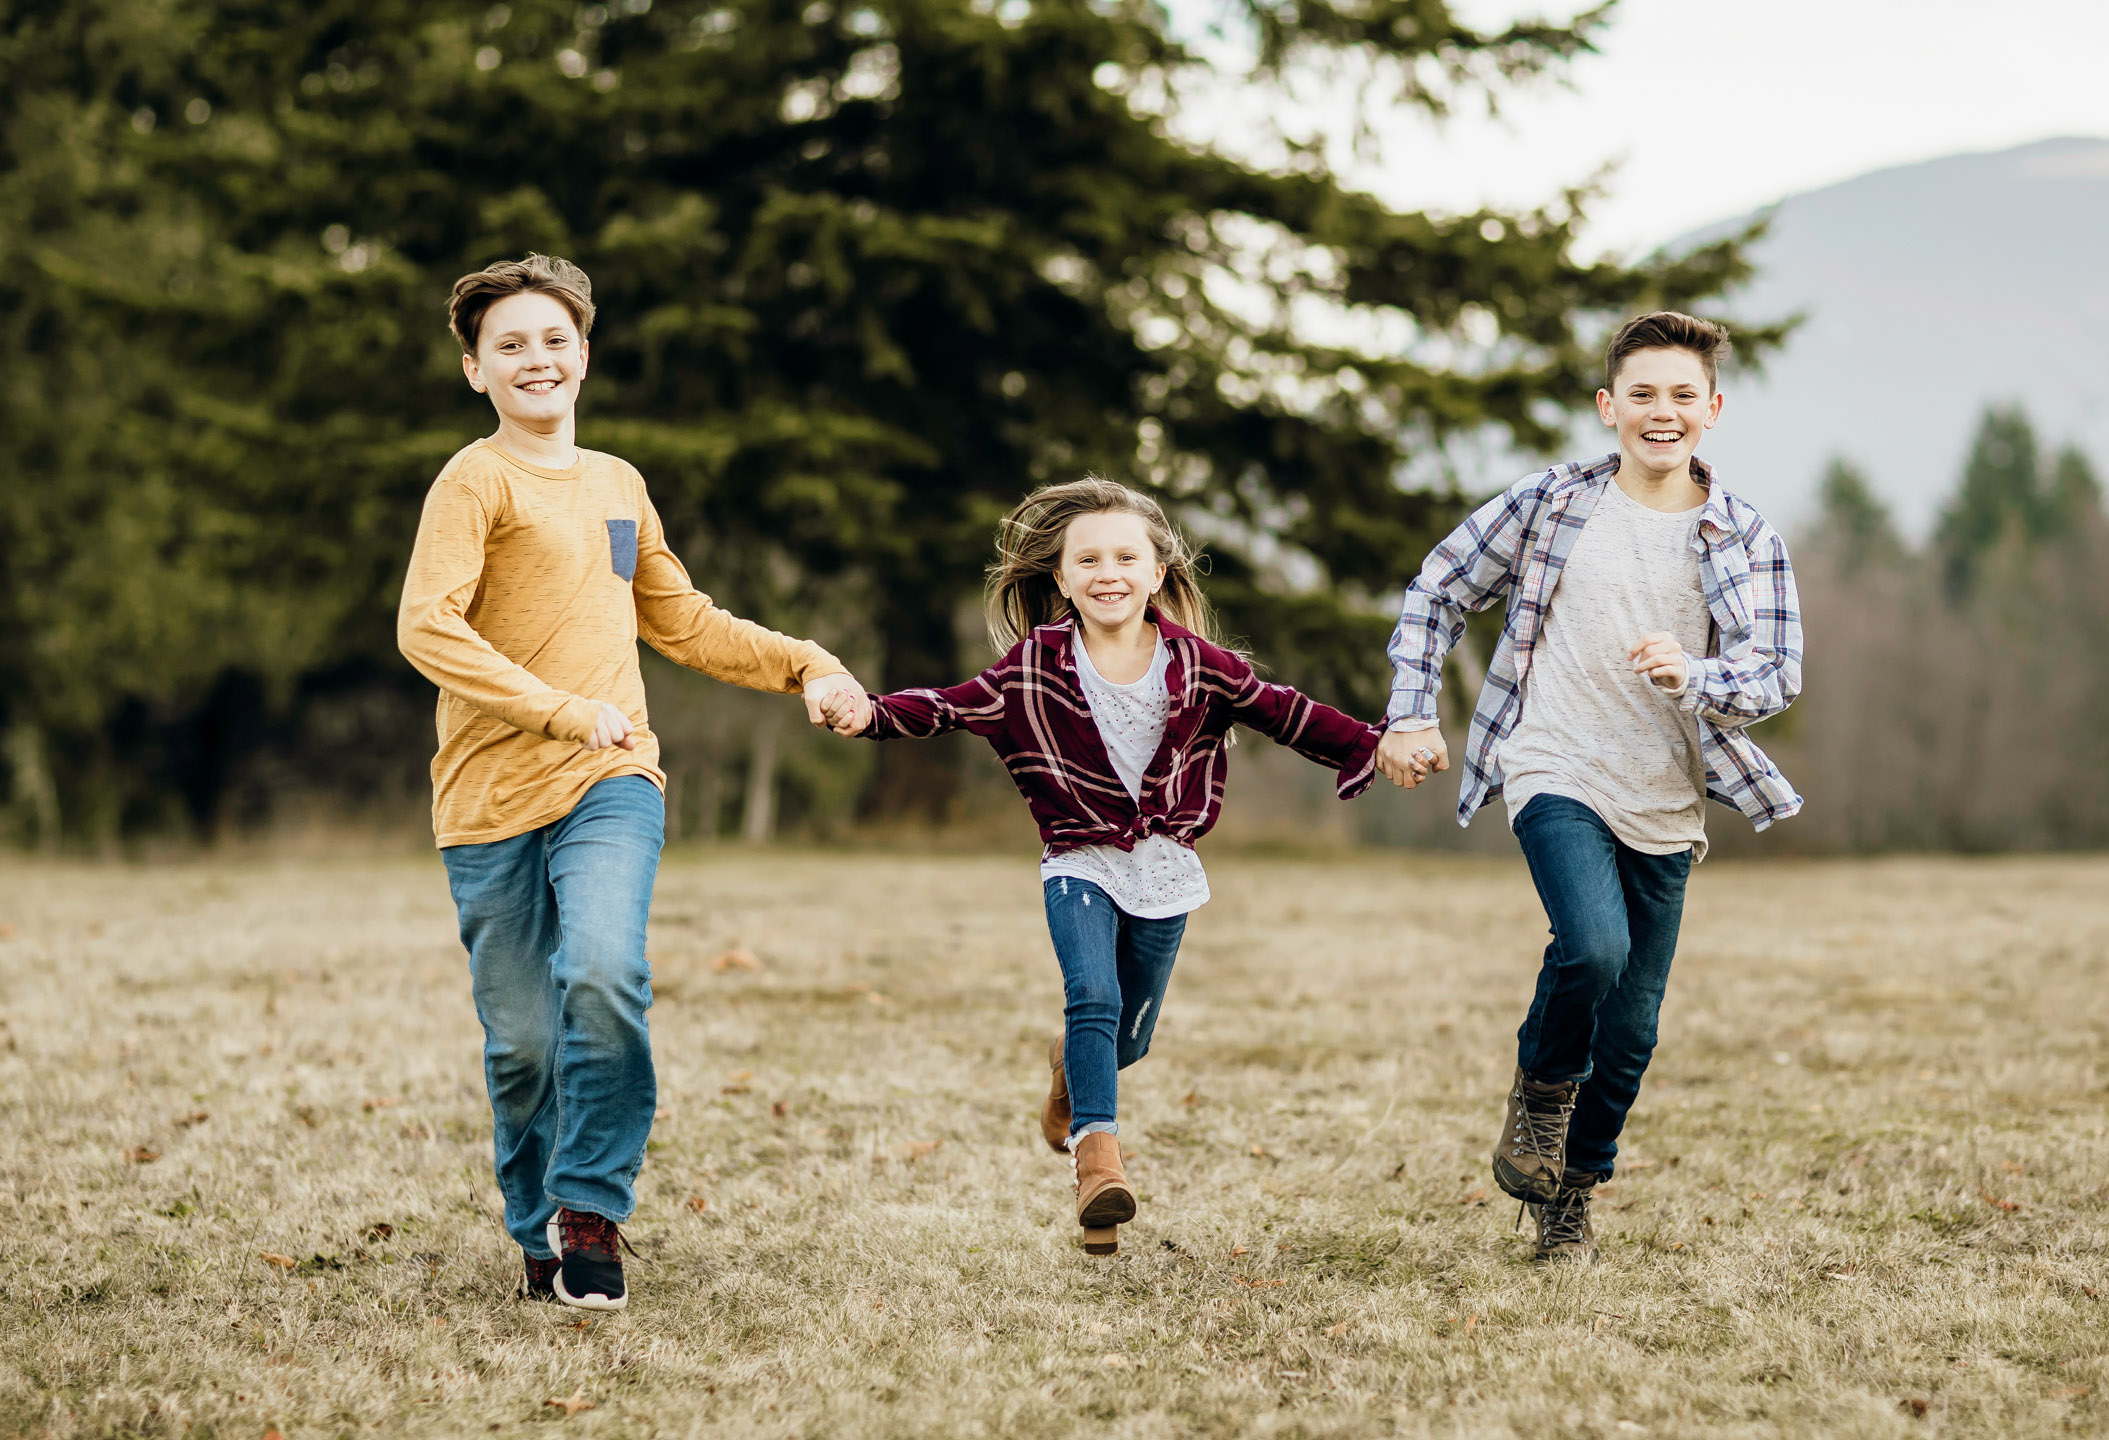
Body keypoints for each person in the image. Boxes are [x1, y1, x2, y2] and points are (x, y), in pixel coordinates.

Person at [396, 254, 867, 1311]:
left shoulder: (618, 484)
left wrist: (806, 661)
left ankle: (591, 1209)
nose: (537, 359)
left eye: (554, 340)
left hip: (613, 778)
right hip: (484, 799)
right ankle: (535, 1231)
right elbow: (425, 626)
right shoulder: (476, 481)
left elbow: (683, 620)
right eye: (510, 344)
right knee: (521, 1043)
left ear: (585, 356)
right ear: (476, 370)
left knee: (603, 975)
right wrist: (558, 706)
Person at [826, 477, 1379, 1254]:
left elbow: (1287, 711)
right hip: (1078, 860)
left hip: (1165, 870)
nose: (1107, 572)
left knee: (1126, 1038)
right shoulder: (1032, 667)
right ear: (1062, 580)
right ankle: (1097, 1165)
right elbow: (951, 703)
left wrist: (1373, 745)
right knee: (1091, 996)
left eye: (1126, 556)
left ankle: (1069, 1071)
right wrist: (872, 715)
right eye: (1087, 560)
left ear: (1158, 572)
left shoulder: (1201, 666)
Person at [1376, 311, 1803, 1264]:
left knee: (1635, 1030)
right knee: (1593, 948)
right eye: (1642, 394)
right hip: (1553, 763)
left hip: (1667, 797)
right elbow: (1437, 587)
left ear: (1714, 410)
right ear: (1609, 407)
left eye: (1682, 396)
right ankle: (1536, 1096)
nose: (1662, 412)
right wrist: (1411, 710)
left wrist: (1698, 675)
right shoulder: (1552, 504)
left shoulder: (1746, 536)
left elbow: (1777, 672)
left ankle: (1571, 1188)